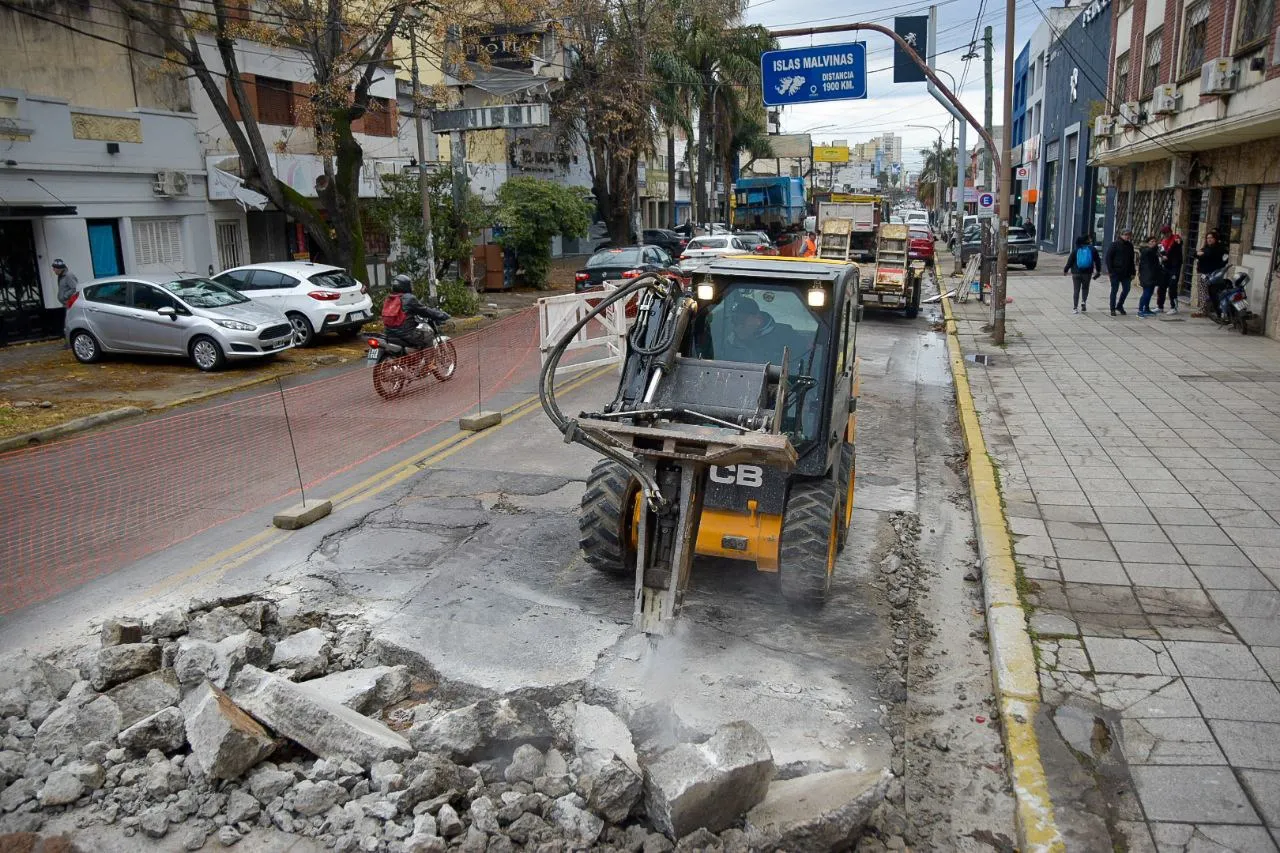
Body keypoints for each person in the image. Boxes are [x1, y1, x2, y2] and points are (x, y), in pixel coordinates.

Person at [381, 274, 450, 349]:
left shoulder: (389, 298)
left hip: (389, 333)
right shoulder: (409, 298)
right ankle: (429, 357)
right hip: (406, 334)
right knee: (428, 335)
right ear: (405, 286)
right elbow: (425, 311)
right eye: (410, 284)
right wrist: (442, 315)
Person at [1063, 234, 1101, 313]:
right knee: (1085, 288)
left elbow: (1070, 261)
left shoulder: (1076, 250)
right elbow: (1097, 261)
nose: (1091, 240)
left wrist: (1066, 270)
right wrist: (1098, 271)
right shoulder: (1092, 249)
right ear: (1086, 241)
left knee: (1076, 289)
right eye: (1089, 239)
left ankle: (1075, 308)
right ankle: (1083, 301)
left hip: (1076, 273)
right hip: (1087, 273)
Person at [1195, 230, 1229, 314]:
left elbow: (1209, 255)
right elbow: (1195, 254)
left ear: (1215, 239)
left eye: (1211, 238)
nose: (1209, 239)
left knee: (1210, 292)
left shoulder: (1219, 249)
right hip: (1203, 273)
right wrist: (1199, 254)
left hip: (1213, 274)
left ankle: (1206, 310)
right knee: (1203, 291)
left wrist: (1201, 254)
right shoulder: (1206, 248)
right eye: (1207, 238)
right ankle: (1204, 309)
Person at [1104, 229, 1136, 316]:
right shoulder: (1114, 244)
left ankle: (1119, 305)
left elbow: (1131, 260)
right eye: (1125, 235)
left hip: (1126, 272)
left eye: (1129, 235)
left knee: (1126, 289)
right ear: (1121, 235)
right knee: (1114, 290)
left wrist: (1133, 272)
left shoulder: (1130, 245)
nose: (1127, 236)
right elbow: (1108, 258)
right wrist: (1110, 271)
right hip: (1115, 272)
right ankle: (1112, 308)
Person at [1157, 225, 1184, 314]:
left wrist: (1179, 241)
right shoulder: (1163, 241)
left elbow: (1179, 241)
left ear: (1170, 232)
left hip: (1174, 267)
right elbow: (1161, 252)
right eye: (1164, 233)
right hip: (1166, 266)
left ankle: (1174, 307)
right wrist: (1162, 256)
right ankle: (1160, 306)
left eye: (1167, 233)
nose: (1166, 234)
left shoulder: (1175, 238)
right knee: (1162, 287)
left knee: (1172, 286)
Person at [1137, 234, 1162, 317]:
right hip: (1147, 275)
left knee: (1150, 293)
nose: (1154, 243)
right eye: (1152, 241)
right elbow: (1149, 252)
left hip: (1152, 274)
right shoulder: (1147, 251)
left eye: (1155, 241)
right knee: (1146, 293)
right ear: (1148, 243)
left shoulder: (1153, 251)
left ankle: (1146, 309)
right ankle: (1140, 310)